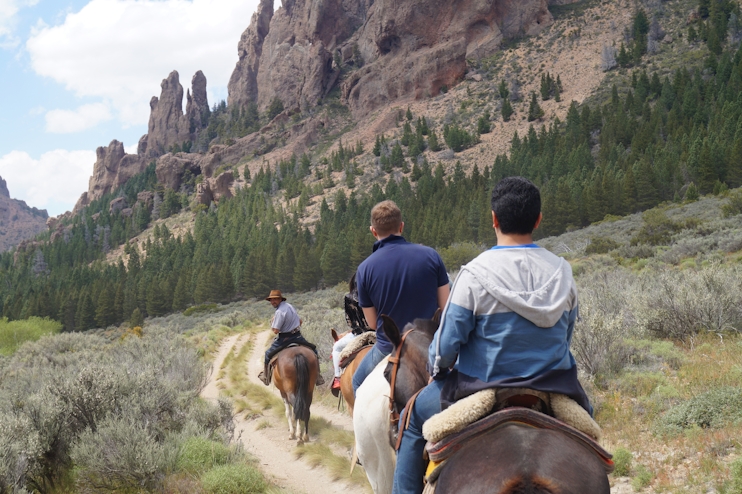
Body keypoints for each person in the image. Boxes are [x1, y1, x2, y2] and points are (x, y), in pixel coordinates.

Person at [392, 177, 591, 494]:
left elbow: (444, 349)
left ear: (494, 219)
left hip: (480, 389)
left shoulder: (473, 274)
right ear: (537, 220)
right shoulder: (563, 272)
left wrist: (439, 370)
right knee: (588, 431)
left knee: (412, 418)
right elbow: (566, 335)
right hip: (552, 387)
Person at [352, 200, 450, 396]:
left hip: (388, 347)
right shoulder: (431, 256)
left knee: (357, 382)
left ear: (373, 231)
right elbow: (446, 306)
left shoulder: (364, 269)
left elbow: (372, 323)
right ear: (401, 226)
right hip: (430, 345)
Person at [258, 290, 324, 386]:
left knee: (268, 354)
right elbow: (300, 321)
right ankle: (318, 376)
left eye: (275, 299)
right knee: (314, 350)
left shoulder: (279, 312)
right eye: (271, 300)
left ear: (280, 299)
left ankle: (266, 377)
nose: (273, 302)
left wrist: (272, 323)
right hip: (297, 336)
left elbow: (276, 330)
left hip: (284, 339)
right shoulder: (290, 306)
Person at [330, 273, 370, 395]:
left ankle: (337, 378)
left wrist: (355, 327)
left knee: (337, 348)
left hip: (359, 334)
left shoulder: (349, 297)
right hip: (380, 332)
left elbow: (349, 321)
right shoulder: (375, 293)